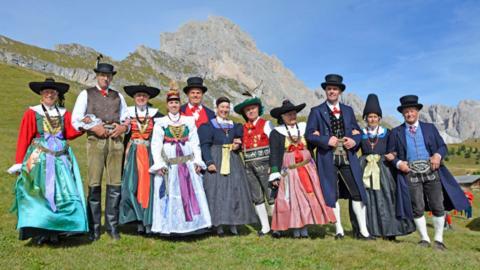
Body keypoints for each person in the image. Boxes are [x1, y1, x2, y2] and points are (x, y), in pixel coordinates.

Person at [7, 78, 88, 244]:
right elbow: (24, 137)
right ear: (41, 94)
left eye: (53, 92)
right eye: (46, 92)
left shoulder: (64, 113)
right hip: (39, 158)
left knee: (62, 192)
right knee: (38, 192)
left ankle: (60, 229)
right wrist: (19, 162)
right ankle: (41, 230)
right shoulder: (32, 113)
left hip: (61, 159)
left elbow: (71, 132)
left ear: (57, 95)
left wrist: (83, 124)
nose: (49, 95)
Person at [388, 95, 470, 250]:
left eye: (412, 111)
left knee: (437, 205)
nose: (409, 114)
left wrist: (438, 155)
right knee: (417, 207)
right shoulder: (396, 132)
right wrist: (399, 163)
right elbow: (390, 154)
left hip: (432, 171)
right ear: (403, 113)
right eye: (406, 111)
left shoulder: (429, 128)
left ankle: (439, 239)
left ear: (417, 111)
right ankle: (424, 239)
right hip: (410, 174)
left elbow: (442, 147)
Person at [306, 74, 373, 240]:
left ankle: (363, 231)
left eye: (335, 89)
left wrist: (354, 140)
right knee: (332, 193)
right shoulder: (316, 111)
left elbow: (358, 132)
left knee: (357, 192)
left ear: (340, 91)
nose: (332, 91)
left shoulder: (348, 111)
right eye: (329, 89)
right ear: (325, 91)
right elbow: (309, 135)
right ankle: (339, 230)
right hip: (327, 158)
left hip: (348, 157)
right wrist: (325, 139)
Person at [71, 57, 130, 240]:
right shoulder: (86, 94)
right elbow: (76, 120)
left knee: (115, 182)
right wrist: (92, 127)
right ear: (97, 76)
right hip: (96, 140)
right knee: (94, 182)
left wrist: (123, 128)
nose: (106, 79)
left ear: (112, 78)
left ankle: (112, 226)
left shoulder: (117, 96)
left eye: (109, 76)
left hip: (115, 139)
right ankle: (94, 227)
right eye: (103, 75)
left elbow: (126, 118)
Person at [149, 82, 211, 235]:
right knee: (171, 192)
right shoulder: (161, 123)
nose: (174, 105)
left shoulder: (188, 121)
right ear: (167, 105)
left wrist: (197, 161)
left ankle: (191, 226)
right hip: (169, 164)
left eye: (176, 102)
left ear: (180, 104)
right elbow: (156, 144)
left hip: (187, 162)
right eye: (171, 102)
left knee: (189, 191)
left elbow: (194, 142)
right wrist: (159, 163)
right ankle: (170, 226)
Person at [268, 100, 336, 238]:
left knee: (307, 199)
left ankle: (304, 229)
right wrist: (275, 173)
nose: (292, 116)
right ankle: (296, 229)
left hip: (307, 169)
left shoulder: (305, 128)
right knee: (293, 199)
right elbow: (274, 153)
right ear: (282, 117)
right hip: (290, 172)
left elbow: (314, 143)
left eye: (293, 113)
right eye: (288, 114)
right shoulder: (276, 133)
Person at [355, 94, 415, 239]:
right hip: (365, 167)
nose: (373, 119)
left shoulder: (387, 133)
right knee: (368, 199)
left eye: (375, 117)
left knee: (387, 198)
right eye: (370, 117)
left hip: (384, 168)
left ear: (380, 118)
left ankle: (390, 231)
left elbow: (394, 149)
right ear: (365, 118)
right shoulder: (360, 133)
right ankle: (369, 230)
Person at [199, 97, 258, 236]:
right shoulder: (208, 126)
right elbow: (205, 146)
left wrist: (238, 143)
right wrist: (209, 162)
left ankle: (234, 224)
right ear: (216, 108)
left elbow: (240, 139)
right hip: (217, 159)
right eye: (222, 107)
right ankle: (218, 225)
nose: (224, 110)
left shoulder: (235, 126)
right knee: (217, 191)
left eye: (227, 107)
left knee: (234, 190)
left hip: (232, 159)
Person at [119, 84, 163, 235]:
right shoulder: (127, 114)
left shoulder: (156, 115)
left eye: (144, 95)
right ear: (134, 97)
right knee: (131, 185)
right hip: (132, 153)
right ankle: (137, 219)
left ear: (148, 98)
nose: (141, 98)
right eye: (138, 95)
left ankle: (149, 221)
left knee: (149, 186)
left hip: (149, 153)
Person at [233, 95, 274, 236]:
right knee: (257, 197)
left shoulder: (266, 124)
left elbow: (274, 145)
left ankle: (276, 225)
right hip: (249, 165)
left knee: (271, 195)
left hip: (265, 164)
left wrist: (273, 166)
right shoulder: (242, 128)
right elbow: (239, 145)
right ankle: (265, 227)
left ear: (258, 109)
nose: (250, 111)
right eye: (247, 110)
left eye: (253, 108)